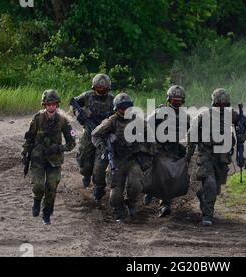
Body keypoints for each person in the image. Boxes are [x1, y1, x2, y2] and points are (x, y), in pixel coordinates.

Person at [185, 88, 246, 226]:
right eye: (219, 104)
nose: (222, 107)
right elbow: (192, 134)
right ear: (214, 103)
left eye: (225, 104)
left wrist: (242, 136)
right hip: (207, 156)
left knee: (215, 188)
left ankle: (203, 196)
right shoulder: (204, 115)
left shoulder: (231, 115)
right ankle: (207, 216)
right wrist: (188, 155)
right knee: (209, 183)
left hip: (222, 158)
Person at [91, 93, 152, 223]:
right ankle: (120, 212)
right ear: (116, 108)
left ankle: (131, 204)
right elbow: (95, 135)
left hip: (132, 158)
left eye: (127, 107)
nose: (125, 111)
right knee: (115, 195)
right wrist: (105, 148)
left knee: (136, 185)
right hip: (117, 160)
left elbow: (150, 136)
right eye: (121, 108)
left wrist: (145, 151)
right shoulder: (111, 121)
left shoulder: (137, 120)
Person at [22, 89, 76, 225]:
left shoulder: (63, 121)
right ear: (44, 105)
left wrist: (59, 148)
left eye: (53, 104)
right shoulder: (37, 118)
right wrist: (25, 152)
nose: (51, 107)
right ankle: (36, 201)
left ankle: (46, 214)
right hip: (38, 157)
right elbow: (29, 137)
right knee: (38, 186)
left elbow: (72, 142)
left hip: (54, 159)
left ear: (57, 105)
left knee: (51, 187)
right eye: (48, 104)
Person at [144, 85, 190, 217]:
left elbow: (192, 132)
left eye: (179, 101)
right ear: (169, 100)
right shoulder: (159, 113)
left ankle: (165, 204)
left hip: (173, 150)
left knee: (170, 176)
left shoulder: (184, 117)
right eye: (174, 100)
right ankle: (150, 191)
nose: (176, 103)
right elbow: (146, 126)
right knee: (154, 173)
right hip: (157, 149)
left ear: (183, 102)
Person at [70, 73, 114, 205]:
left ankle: (98, 189)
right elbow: (74, 102)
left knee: (100, 165)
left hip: (104, 135)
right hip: (89, 132)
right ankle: (86, 175)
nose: (101, 90)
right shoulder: (87, 96)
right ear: (94, 87)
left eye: (103, 88)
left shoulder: (112, 100)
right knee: (84, 158)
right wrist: (79, 114)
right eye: (98, 88)